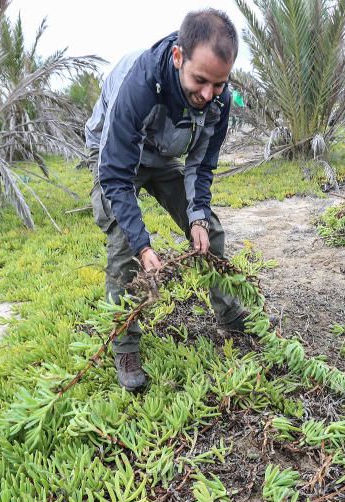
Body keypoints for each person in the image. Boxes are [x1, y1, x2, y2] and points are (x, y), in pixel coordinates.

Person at [85, 9, 249, 392]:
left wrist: (197, 218)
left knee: (213, 232)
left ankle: (228, 313)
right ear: (178, 58)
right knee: (124, 247)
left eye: (219, 83)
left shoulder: (218, 100)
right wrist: (144, 246)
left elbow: (201, 165)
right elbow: (115, 174)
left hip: (161, 156)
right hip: (115, 157)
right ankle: (125, 347)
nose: (208, 94)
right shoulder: (139, 85)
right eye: (200, 80)